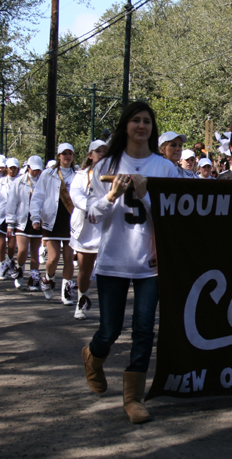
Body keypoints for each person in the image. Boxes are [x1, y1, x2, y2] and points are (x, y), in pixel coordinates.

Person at [82, 102, 178, 424]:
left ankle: (133, 397)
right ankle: (93, 355)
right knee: (109, 329)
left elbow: (172, 218)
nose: (141, 126)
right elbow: (93, 216)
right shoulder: (105, 164)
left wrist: (146, 194)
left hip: (150, 262)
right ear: (126, 126)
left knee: (143, 328)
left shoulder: (165, 168)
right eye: (135, 120)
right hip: (113, 259)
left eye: (147, 121)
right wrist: (111, 196)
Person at [30, 143, 77, 304]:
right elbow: (38, 196)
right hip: (52, 220)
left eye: (70, 153)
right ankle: (48, 279)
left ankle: (66, 290)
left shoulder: (78, 174)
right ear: (58, 156)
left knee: (69, 257)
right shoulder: (47, 174)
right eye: (64, 154)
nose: (67, 156)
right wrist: (35, 217)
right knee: (53, 258)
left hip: (72, 221)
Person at [69, 139, 108, 319]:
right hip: (86, 228)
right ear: (90, 155)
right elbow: (75, 195)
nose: (101, 154)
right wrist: (90, 206)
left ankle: (108, 308)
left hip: (107, 227)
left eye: (104, 151)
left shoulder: (113, 173)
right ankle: (82, 300)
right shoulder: (81, 175)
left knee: (107, 272)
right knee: (85, 269)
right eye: (97, 151)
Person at [7, 156, 44, 291]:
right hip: (22, 220)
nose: (36, 172)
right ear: (28, 168)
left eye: (38, 170)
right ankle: (20, 269)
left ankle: (34, 277)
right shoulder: (19, 182)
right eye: (33, 169)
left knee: (35, 251)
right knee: (22, 250)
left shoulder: (43, 181)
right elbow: (12, 203)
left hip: (38, 220)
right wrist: (10, 223)